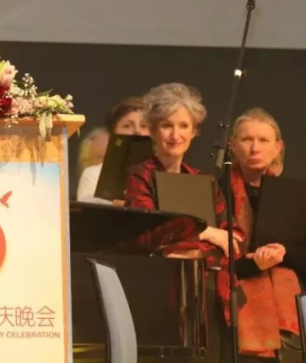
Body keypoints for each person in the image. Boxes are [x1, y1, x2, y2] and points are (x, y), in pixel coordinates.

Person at [216, 108, 303, 362]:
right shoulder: (217, 190)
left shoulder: (295, 195)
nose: (255, 148)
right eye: (247, 139)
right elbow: (213, 258)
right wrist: (255, 264)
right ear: (233, 145)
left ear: (278, 148)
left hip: (289, 307)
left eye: (263, 140)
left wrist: (282, 254)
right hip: (232, 307)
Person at [124, 83, 240, 257]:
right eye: (167, 126)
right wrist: (205, 232)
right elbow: (145, 237)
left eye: (184, 126)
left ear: (193, 132)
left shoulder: (204, 181)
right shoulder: (140, 176)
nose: (175, 135)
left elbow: (234, 239)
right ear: (153, 131)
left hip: (204, 272)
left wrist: (195, 254)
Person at [77, 96, 149, 202]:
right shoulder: (94, 174)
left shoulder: (160, 173)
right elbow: (90, 210)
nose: (137, 131)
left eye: (143, 126)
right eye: (127, 126)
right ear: (112, 133)